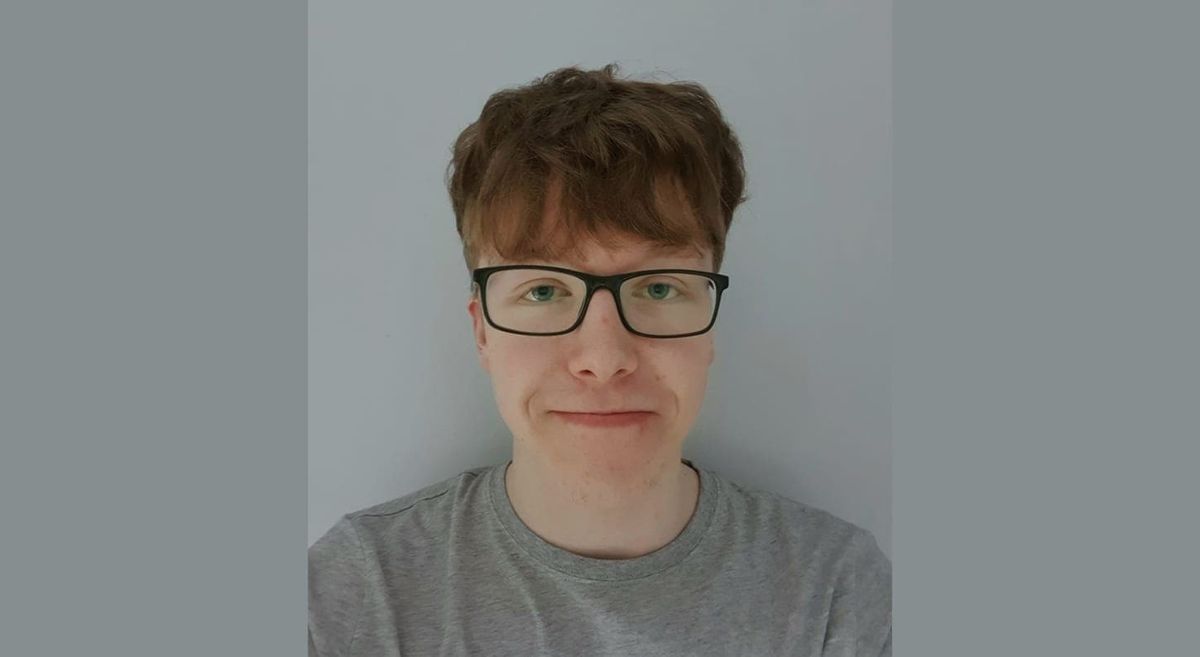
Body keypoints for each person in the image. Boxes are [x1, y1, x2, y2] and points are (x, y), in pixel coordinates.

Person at [309, 64, 891, 657]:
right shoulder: (355, 593)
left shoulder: (834, 594)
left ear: (711, 326)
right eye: (542, 291)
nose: (604, 359)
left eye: (659, 287)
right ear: (482, 330)